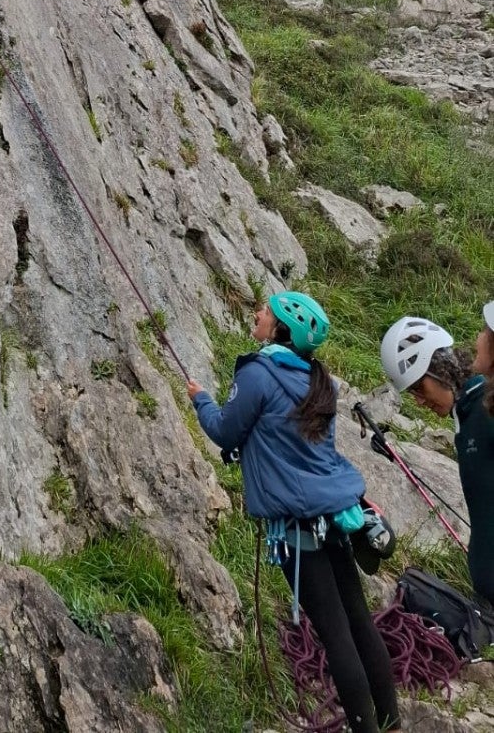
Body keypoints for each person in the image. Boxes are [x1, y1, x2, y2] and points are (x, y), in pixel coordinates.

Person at [188, 292, 400, 733]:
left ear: (280, 326)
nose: (258, 314)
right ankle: (391, 721)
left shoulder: (258, 376)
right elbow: (291, 442)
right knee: (358, 620)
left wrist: (201, 399)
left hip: (296, 527)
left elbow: (225, 431)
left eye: (265, 310)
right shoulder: (320, 381)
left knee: (336, 632)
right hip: (337, 515)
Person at [381, 309, 494, 605]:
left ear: (440, 368)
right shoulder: (468, 414)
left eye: (419, 387)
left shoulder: (486, 409)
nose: (418, 400)